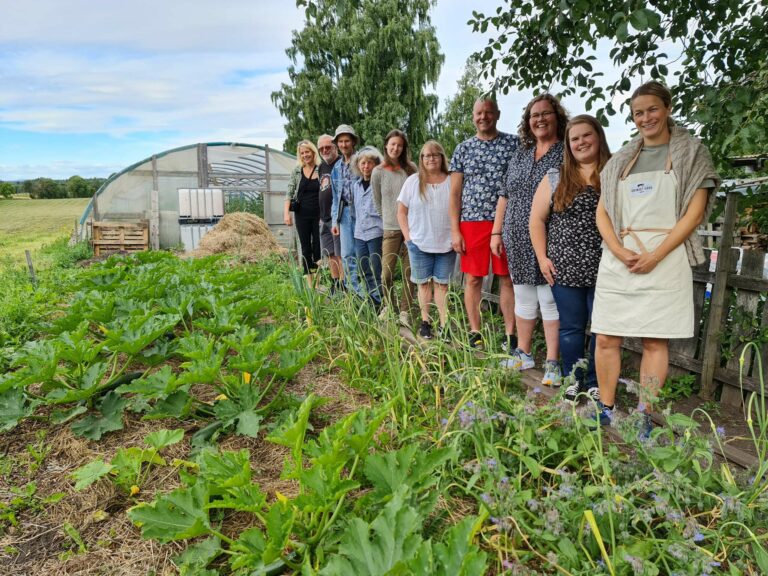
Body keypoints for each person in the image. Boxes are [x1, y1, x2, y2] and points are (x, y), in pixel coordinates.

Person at [591, 81, 720, 434]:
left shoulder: (692, 153)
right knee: (605, 336)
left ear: (667, 108)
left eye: (651, 109)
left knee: (654, 340)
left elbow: (693, 215)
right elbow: (603, 212)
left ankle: (643, 416)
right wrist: (618, 250)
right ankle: (605, 407)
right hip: (621, 256)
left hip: (666, 255)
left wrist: (655, 255)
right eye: (638, 113)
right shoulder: (620, 160)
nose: (645, 118)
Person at [529, 115, 612, 401]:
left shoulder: (615, 173)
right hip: (564, 267)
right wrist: (542, 257)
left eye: (586, 135)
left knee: (603, 330)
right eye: (574, 138)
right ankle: (573, 379)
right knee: (571, 327)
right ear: (568, 144)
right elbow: (536, 221)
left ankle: (595, 381)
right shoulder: (555, 177)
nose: (581, 142)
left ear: (598, 137)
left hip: (607, 267)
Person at [492, 94, 568, 386]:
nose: (539, 119)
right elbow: (504, 194)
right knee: (523, 297)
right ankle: (523, 352)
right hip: (515, 235)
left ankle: (552, 362)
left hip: (551, 236)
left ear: (556, 117)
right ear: (527, 122)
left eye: (545, 114)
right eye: (533, 115)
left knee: (549, 299)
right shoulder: (521, 154)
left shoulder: (565, 152)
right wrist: (496, 232)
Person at [449, 98, 519, 350]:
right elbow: (455, 193)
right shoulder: (463, 149)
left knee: (507, 278)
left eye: (488, 112)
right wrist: (455, 230)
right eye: (479, 113)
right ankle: (475, 332)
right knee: (473, 279)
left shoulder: (514, 144)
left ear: (497, 114)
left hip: (507, 221)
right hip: (472, 222)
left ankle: (511, 334)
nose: (483, 117)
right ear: (473, 116)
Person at [397, 141, 456, 340]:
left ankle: (444, 324)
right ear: (421, 159)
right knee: (423, 285)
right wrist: (408, 238)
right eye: (426, 156)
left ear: (442, 158)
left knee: (442, 286)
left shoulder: (451, 180)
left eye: (435, 155)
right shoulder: (413, 181)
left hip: (446, 243)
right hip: (419, 243)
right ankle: (425, 322)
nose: (431, 159)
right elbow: (401, 212)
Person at [372, 129, 418, 325]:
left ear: (403, 148)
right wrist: (389, 221)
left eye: (399, 145)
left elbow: (417, 196)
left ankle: (405, 312)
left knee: (410, 272)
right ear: (386, 145)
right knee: (386, 274)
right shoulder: (378, 172)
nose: (396, 148)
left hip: (412, 229)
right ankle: (390, 307)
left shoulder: (411, 169)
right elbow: (377, 201)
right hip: (390, 229)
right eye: (393, 144)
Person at [351, 146, 385, 308]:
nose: (366, 166)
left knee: (377, 267)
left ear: (376, 165)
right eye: (363, 163)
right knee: (363, 267)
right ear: (358, 166)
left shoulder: (378, 184)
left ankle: (381, 300)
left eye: (369, 163)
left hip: (375, 231)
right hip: (359, 233)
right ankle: (373, 298)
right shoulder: (356, 185)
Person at [284, 140, 321, 283]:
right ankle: (309, 283)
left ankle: (318, 281)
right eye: (302, 153)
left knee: (317, 248)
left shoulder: (321, 169)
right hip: (301, 215)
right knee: (305, 248)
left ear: (313, 152)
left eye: (307, 152)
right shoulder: (297, 171)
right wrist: (286, 213)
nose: (305, 155)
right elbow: (289, 191)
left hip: (319, 215)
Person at [330, 124, 361, 295]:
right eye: (340, 142)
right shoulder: (336, 168)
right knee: (347, 254)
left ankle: (372, 294)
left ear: (353, 142)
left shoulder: (361, 161)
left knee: (363, 254)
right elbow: (335, 197)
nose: (343, 145)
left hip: (362, 214)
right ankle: (354, 292)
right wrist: (335, 220)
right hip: (345, 214)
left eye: (346, 141)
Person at [317, 134, 343, 294]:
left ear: (335, 147)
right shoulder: (321, 167)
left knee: (341, 253)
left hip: (338, 218)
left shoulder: (341, 164)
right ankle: (335, 284)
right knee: (330, 253)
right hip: (324, 218)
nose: (325, 150)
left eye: (328, 147)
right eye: (321, 148)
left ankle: (344, 284)